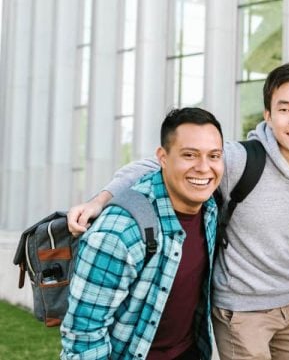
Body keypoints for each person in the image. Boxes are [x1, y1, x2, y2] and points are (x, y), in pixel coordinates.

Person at [66, 63, 289, 360]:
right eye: (284, 109)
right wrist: (101, 199)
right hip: (242, 312)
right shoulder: (241, 159)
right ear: (267, 115)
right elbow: (157, 165)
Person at [60, 107, 224, 359]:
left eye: (214, 156)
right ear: (163, 157)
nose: (204, 168)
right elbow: (83, 338)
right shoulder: (119, 232)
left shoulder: (210, 209)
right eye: (189, 155)